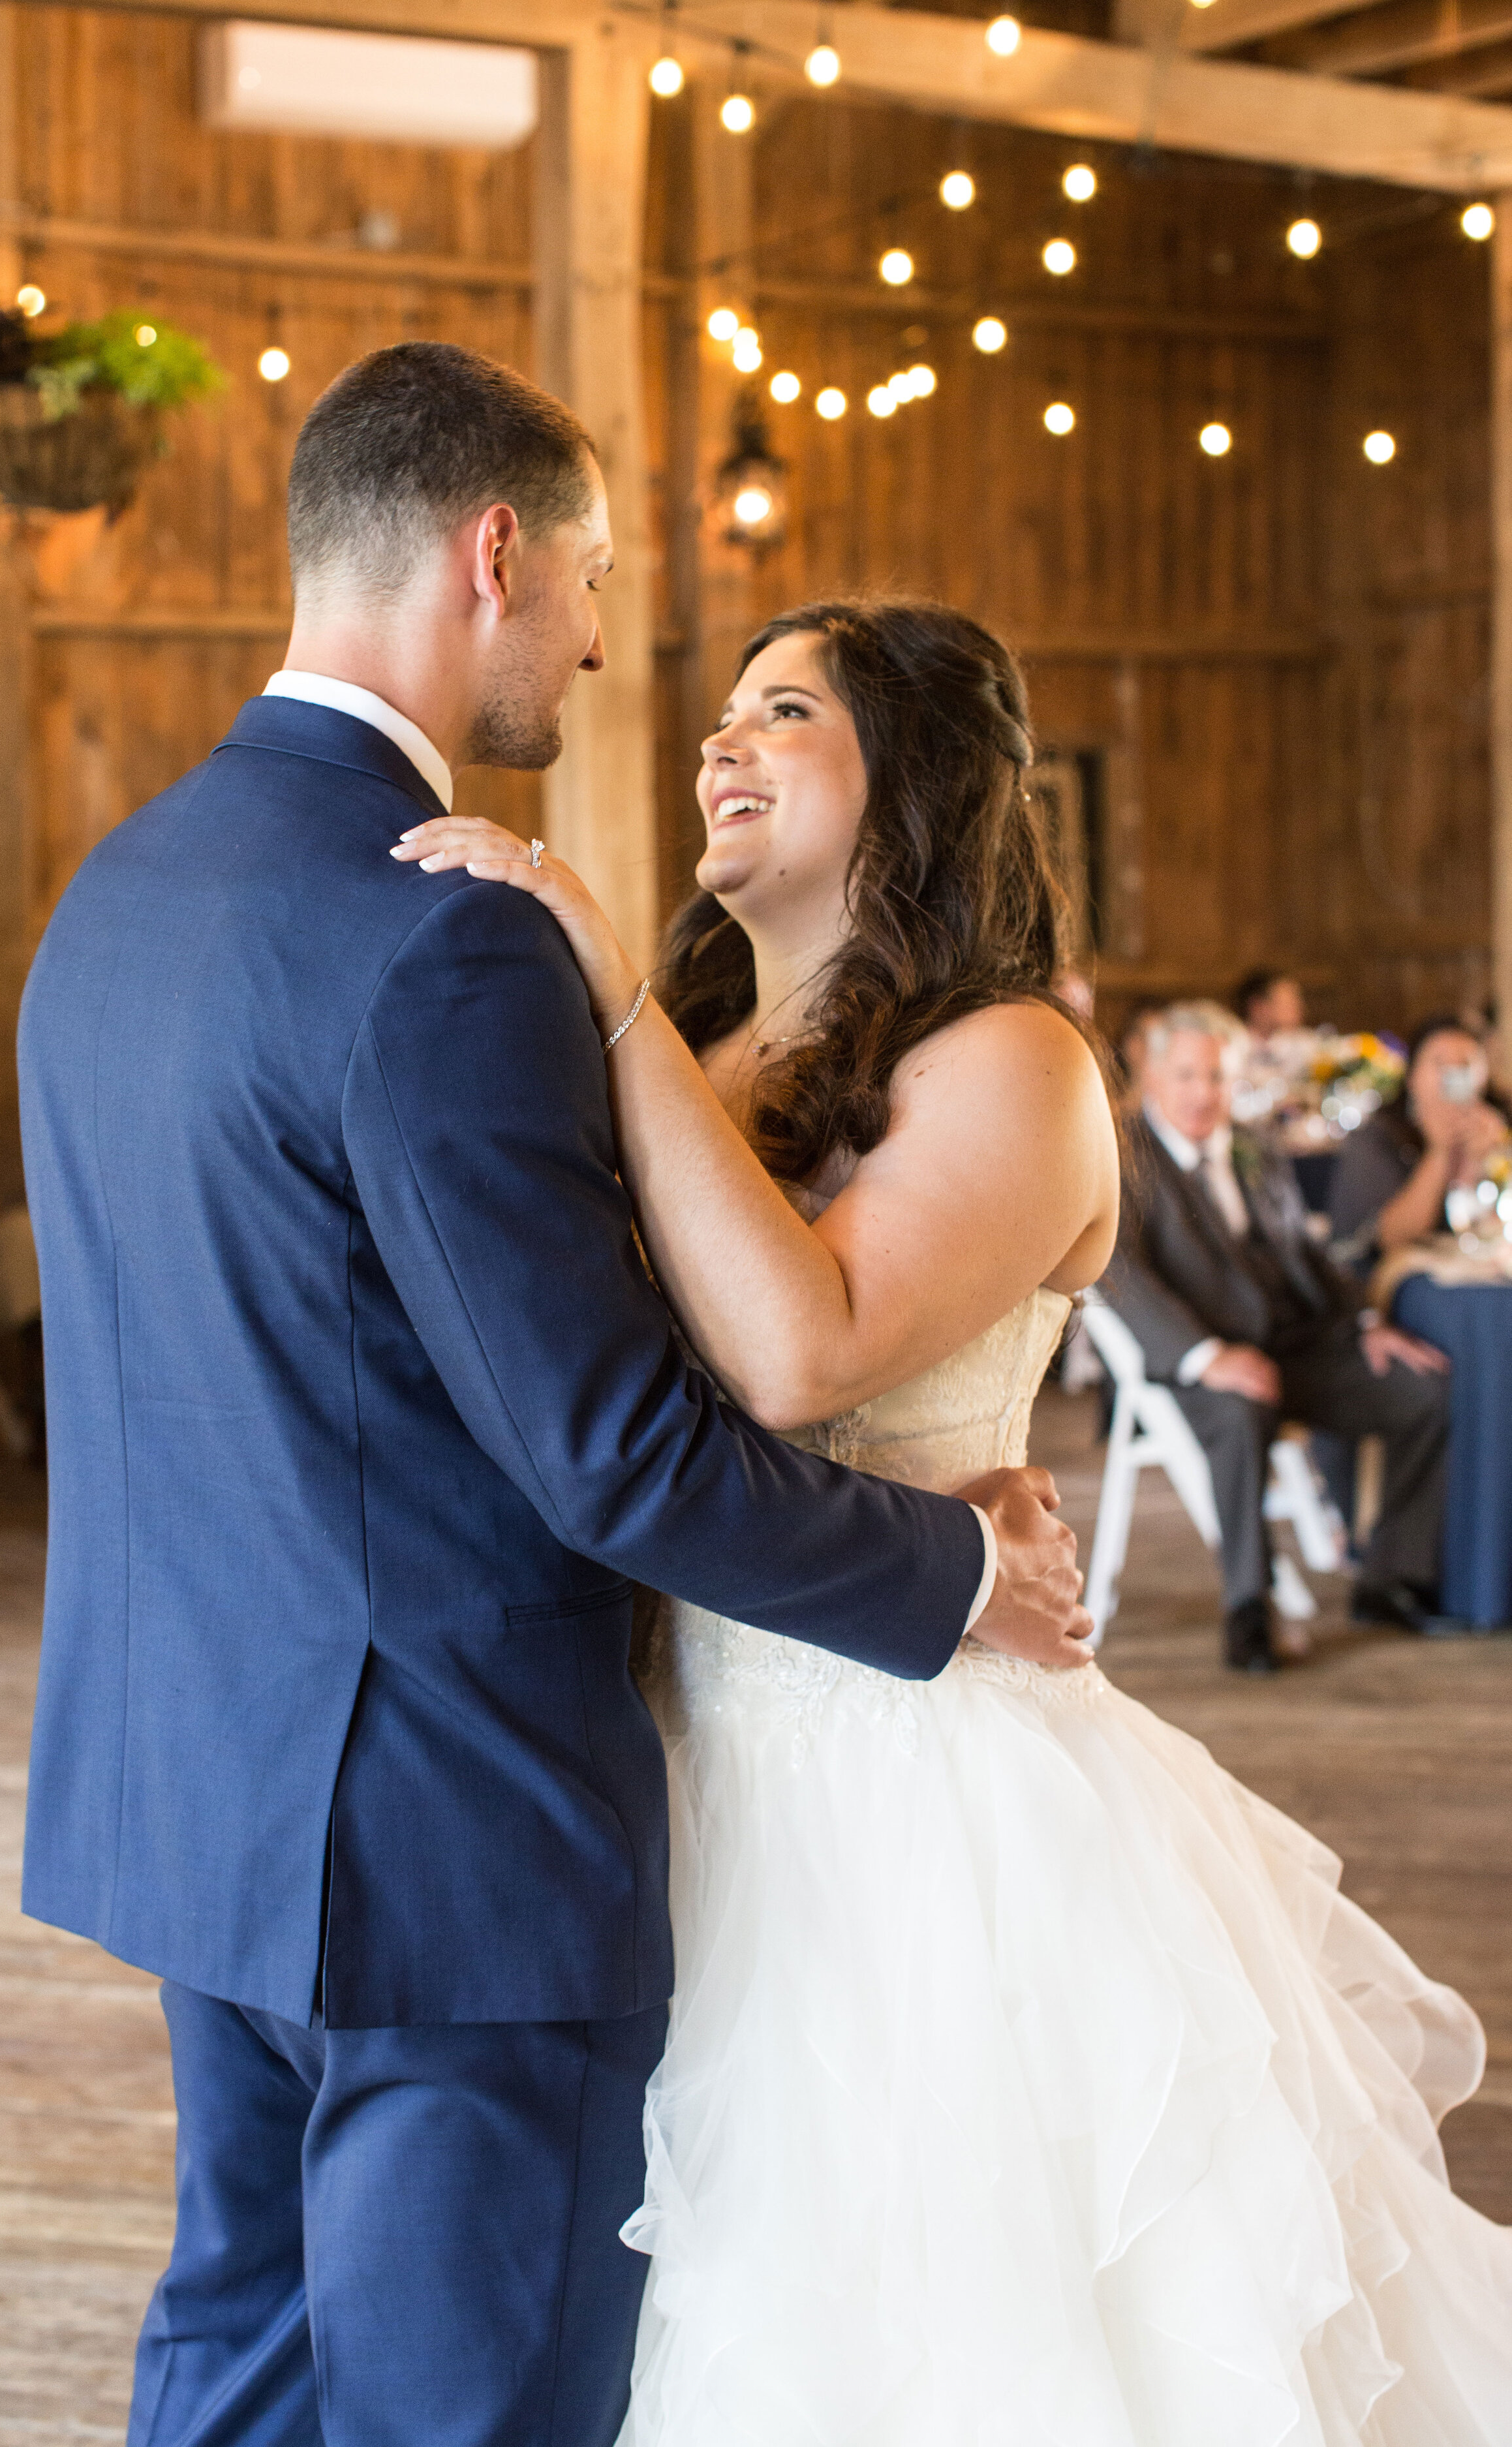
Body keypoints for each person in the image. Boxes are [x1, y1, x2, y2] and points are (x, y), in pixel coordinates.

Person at [17, 346, 1090, 2447]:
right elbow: (605, 1440)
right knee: (466, 2402)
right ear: (494, 550)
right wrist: (948, 1564)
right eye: (593, 580)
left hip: (199, 1789)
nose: (611, 645)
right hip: (450, 1839)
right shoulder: (444, 930)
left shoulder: (116, 894)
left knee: (239, 2364)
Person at [397, 610, 1512, 2440]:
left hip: (904, 1782)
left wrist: (593, 983)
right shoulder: (688, 1039)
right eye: (721, 712)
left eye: (786, 711)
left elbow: (796, 1346)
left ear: (910, 778)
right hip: (654, 1750)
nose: (717, 743)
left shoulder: (1008, 1060)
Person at [1104, 1002, 1453, 1670]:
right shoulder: (1123, 1154)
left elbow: (1306, 1252)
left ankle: (1386, 1577)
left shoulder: (1253, 1144)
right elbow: (1117, 1273)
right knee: (1240, 1412)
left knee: (1423, 1390)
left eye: (1218, 1076)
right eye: (1186, 1075)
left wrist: (1366, 1323)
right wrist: (1207, 1357)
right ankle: (1248, 1609)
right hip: (1199, 1361)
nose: (1204, 1093)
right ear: (1150, 1074)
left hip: (1295, 1345)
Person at [1329, 1011, 1511, 1265]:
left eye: (1466, 1064)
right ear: (1412, 1076)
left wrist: (1491, 1161)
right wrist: (1439, 1154)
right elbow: (1391, 1243)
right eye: (1440, 1063)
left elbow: (1491, 1232)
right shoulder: (1379, 1137)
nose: (1453, 1077)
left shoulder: (1499, 1128)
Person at [1234, 962, 1306, 1042]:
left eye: (1296, 1001)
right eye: (1287, 1004)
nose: (1297, 1010)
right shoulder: (1230, 1043)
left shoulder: (1304, 1042)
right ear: (1258, 1007)